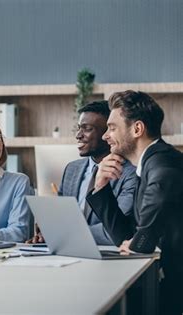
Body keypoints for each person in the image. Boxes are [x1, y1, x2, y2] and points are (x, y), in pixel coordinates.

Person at [87, 90, 183, 314]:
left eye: (112, 127)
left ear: (137, 129)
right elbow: (125, 238)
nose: (104, 136)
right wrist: (101, 187)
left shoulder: (163, 163)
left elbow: (139, 245)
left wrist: (138, 243)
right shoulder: (148, 166)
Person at [29, 101, 137, 245]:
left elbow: (115, 231)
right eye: (79, 128)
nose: (78, 135)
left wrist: (63, 234)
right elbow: (61, 217)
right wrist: (47, 230)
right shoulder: (72, 169)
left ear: (108, 133)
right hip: (69, 252)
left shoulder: (131, 173)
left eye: (87, 129)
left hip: (109, 256)